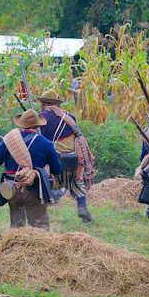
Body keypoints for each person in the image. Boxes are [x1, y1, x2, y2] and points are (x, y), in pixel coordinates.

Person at [0, 110, 62, 229]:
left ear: (22, 124)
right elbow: (57, 169)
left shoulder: (9, 142)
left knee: (16, 226)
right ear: (37, 125)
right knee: (39, 225)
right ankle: (39, 246)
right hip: (34, 189)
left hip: (11, 190)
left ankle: (16, 245)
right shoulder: (46, 144)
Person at [37, 89, 96, 222]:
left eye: (41, 102)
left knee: (41, 181)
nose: (40, 105)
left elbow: (41, 140)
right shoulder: (69, 116)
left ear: (44, 104)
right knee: (75, 182)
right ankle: (82, 207)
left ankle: (40, 211)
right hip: (72, 158)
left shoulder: (42, 117)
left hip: (54, 159)